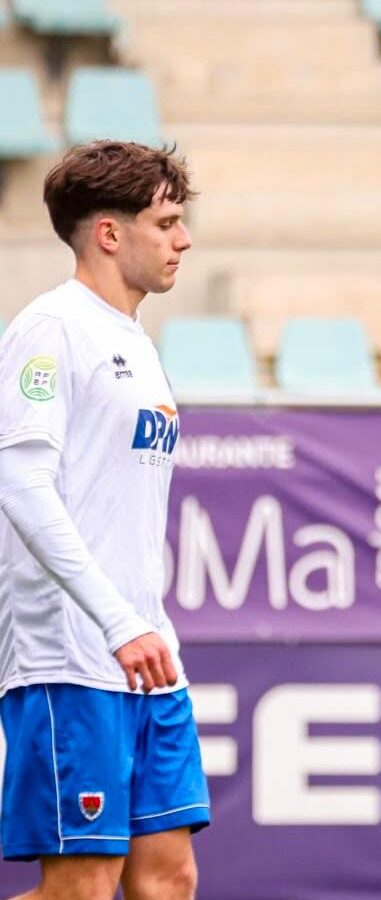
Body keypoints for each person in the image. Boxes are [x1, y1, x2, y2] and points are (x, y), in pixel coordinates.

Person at [0, 141, 209, 900]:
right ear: (110, 234)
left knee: (168, 879)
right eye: (166, 222)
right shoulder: (49, 329)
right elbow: (19, 483)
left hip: (149, 659)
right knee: (82, 888)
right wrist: (117, 622)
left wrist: (138, 625)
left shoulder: (137, 343)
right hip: (72, 658)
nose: (183, 239)